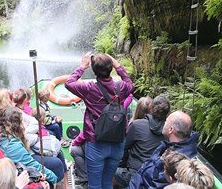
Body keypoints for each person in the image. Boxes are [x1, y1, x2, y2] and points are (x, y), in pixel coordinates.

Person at [65, 53, 134, 189]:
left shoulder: (89, 88)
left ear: (94, 70)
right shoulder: (121, 87)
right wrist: (118, 66)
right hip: (117, 142)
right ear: (111, 68)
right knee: (107, 183)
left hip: (96, 143)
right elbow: (131, 84)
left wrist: (82, 66)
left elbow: (69, 83)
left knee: (95, 186)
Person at [127, 111, 199, 189]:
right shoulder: (166, 145)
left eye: (166, 121)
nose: (164, 123)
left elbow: (156, 186)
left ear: (170, 129)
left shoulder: (177, 161)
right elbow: (146, 166)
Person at [0, 107, 65, 186]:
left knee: (57, 155)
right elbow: (31, 164)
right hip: (21, 172)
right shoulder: (12, 146)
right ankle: (58, 183)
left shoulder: (5, 136)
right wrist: (53, 178)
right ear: (16, 125)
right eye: (21, 122)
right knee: (56, 164)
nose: (23, 124)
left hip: (23, 161)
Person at [114, 95, 171, 188]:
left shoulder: (137, 125)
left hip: (134, 173)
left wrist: (122, 165)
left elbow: (123, 147)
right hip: (155, 176)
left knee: (110, 172)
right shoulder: (169, 132)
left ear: (151, 108)